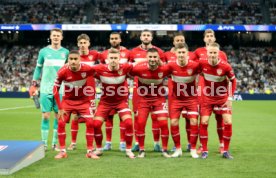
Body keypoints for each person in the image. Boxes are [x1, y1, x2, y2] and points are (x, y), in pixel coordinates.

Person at [53, 50, 99, 159]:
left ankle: (90, 151)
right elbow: (55, 89)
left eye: (75, 59)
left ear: (80, 60)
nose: (73, 61)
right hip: (68, 102)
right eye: (71, 59)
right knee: (61, 123)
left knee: (90, 123)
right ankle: (62, 151)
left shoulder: (87, 69)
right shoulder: (62, 71)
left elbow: (99, 75)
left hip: (83, 101)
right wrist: (59, 108)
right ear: (68, 60)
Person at [93, 49, 135, 159]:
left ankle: (128, 150)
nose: (113, 60)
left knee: (129, 123)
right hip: (105, 103)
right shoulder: (100, 68)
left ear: (119, 59)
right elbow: (86, 69)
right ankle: (98, 149)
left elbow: (139, 67)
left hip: (121, 102)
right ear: (107, 59)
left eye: (115, 58)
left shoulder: (125, 67)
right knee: (96, 124)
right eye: (111, 58)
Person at [32, 28, 69, 151]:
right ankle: (43, 144)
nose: (56, 37)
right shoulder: (43, 51)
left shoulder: (66, 52)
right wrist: (34, 83)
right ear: (51, 36)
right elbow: (38, 68)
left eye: (58, 35)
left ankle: (54, 144)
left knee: (59, 116)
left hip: (60, 89)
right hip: (45, 88)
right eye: (54, 35)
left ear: (62, 37)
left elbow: (69, 70)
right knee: (46, 116)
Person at [198, 42, 236, 159]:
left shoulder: (225, 66)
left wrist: (230, 97)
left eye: (215, 53)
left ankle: (225, 151)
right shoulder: (201, 63)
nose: (213, 55)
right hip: (207, 98)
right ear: (207, 53)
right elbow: (192, 72)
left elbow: (233, 81)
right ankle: (204, 150)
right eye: (211, 52)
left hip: (222, 98)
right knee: (204, 122)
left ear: (218, 53)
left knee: (228, 122)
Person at [130, 48, 170, 158]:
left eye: (155, 57)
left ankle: (165, 150)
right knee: (141, 124)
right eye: (150, 57)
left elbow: (175, 72)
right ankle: (141, 150)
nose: (152, 59)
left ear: (158, 58)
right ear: (146, 57)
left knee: (163, 123)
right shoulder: (138, 68)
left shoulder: (165, 68)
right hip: (143, 100)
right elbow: (127, 72)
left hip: (159, 99)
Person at [194, 29, 228, 154]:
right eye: (207, 36)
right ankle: (202, 146)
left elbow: (225, 72)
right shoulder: (198, 52)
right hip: (203, 90)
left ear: (214, 38)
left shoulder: (221, 53)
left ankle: (222, 144)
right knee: (203, 119)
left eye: (211, 36)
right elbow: (190, 64)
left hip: (218, 91)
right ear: (204, 39)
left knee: (220, 118)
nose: (209, 38)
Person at [164, 33, 197, 152]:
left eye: (181, 40)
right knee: (173, 120)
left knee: (190, 120)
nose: (179, 42)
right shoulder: (167, 56)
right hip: (174, 94)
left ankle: (190, 144)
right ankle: (176, 145)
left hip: (190, 94)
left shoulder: (193, 57)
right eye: (177, 40)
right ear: (173, 42)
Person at [99, 32, 131, 151]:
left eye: (116, 38)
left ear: (120, 40)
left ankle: (122, 142)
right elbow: (101, 70)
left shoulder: (128, 53)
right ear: (109, 40)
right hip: (108, 91)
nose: (114, 40)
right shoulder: (104, 54)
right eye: (112, 38)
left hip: (122, 90)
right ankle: (108, 142)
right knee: (109, 117)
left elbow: (131, 69)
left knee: (123, 118)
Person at [67, 34, 99, 151]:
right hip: (76, 91)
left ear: (88, 44)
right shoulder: (74, 57)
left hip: (90, 91)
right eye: (80, 43)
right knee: (75, 117)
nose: (82, 45)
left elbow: (107, 59)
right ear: (78, 44)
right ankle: (73, 143)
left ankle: (92, 143)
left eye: (85, 43)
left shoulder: (95, 55)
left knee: (91, 118)